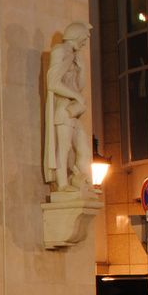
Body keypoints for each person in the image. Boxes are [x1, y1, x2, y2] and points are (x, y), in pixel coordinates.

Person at [44, 21, 92, 191]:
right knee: (64, 147)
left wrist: (82, 67)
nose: (85, 43)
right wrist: (76, 96)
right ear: (76, 36)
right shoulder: (59, 51)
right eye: (84, 39)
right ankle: (63, 184)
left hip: (73, 109)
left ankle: (85, 184)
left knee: (84, 148)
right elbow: (53, 83)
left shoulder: (73, 56)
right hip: (64, 109)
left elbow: (79, 86)